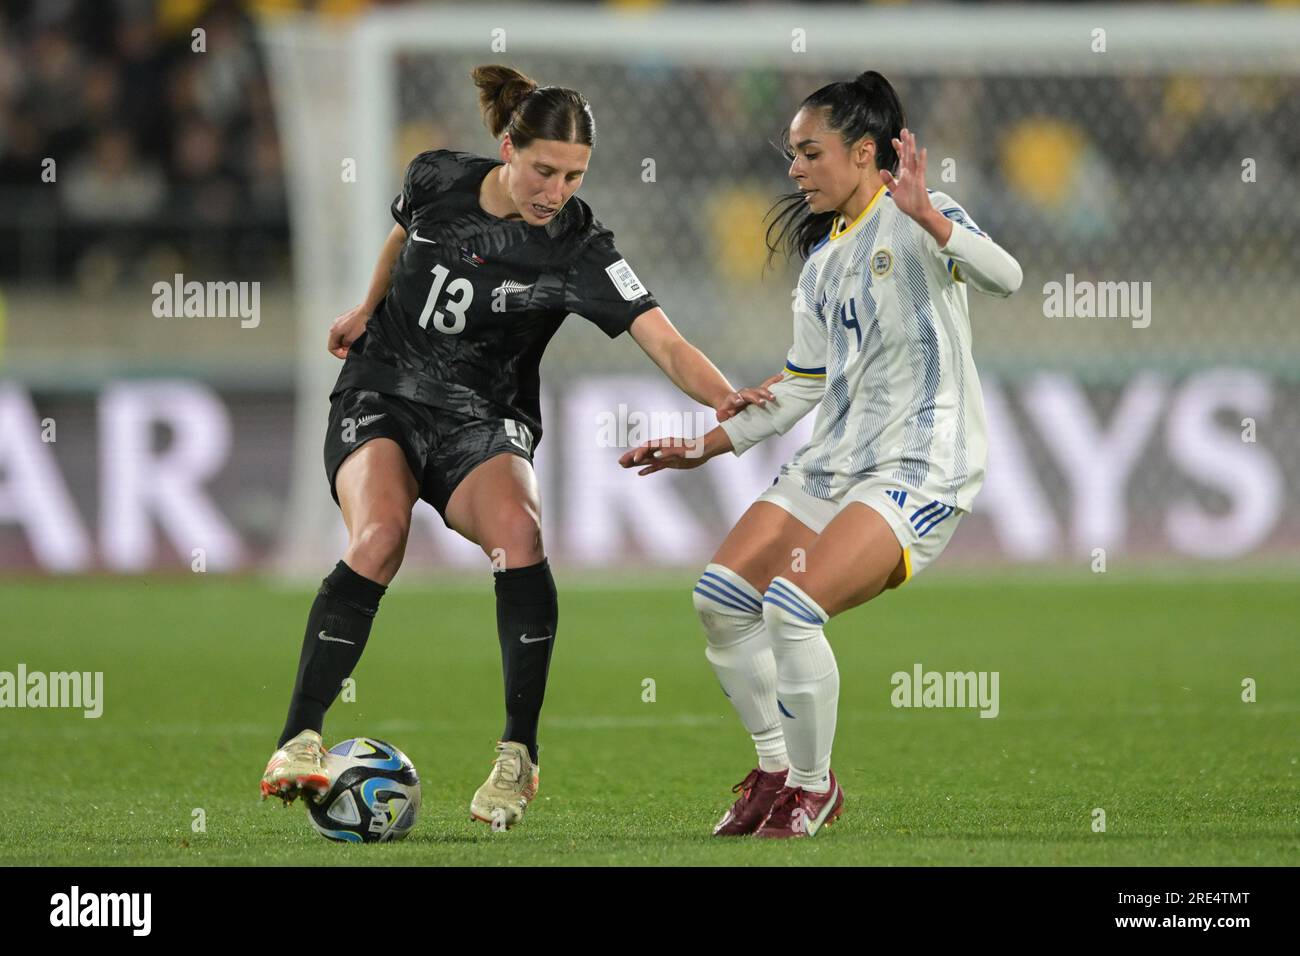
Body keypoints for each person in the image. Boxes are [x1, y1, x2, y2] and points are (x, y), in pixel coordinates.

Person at [260, 64, 771, 829]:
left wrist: (723, 396)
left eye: (572, 176)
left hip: (483, 419)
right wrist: (366, 307)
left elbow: (663, 341)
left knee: (522, 537)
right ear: (507, 148)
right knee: (379, 537)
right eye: (543, 170)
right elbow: (404, 234)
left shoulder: (579, 247)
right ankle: (298, 738)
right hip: (384, 389)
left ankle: (518, 756)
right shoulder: (436, 176)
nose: (555, 190)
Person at [620, 71, 1022, 838]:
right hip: (834, 463)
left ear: (864, 151)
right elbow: (804, 383)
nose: (794, 169)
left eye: (809, 152)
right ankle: (774, 771)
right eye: (792, 155)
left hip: (920, 464)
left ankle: (815, 787)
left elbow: (1007, 277)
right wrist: (707, 445)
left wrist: (933, 219)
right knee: (720, 600)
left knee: (793, 609)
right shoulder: (822, 263)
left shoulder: (921, 221)